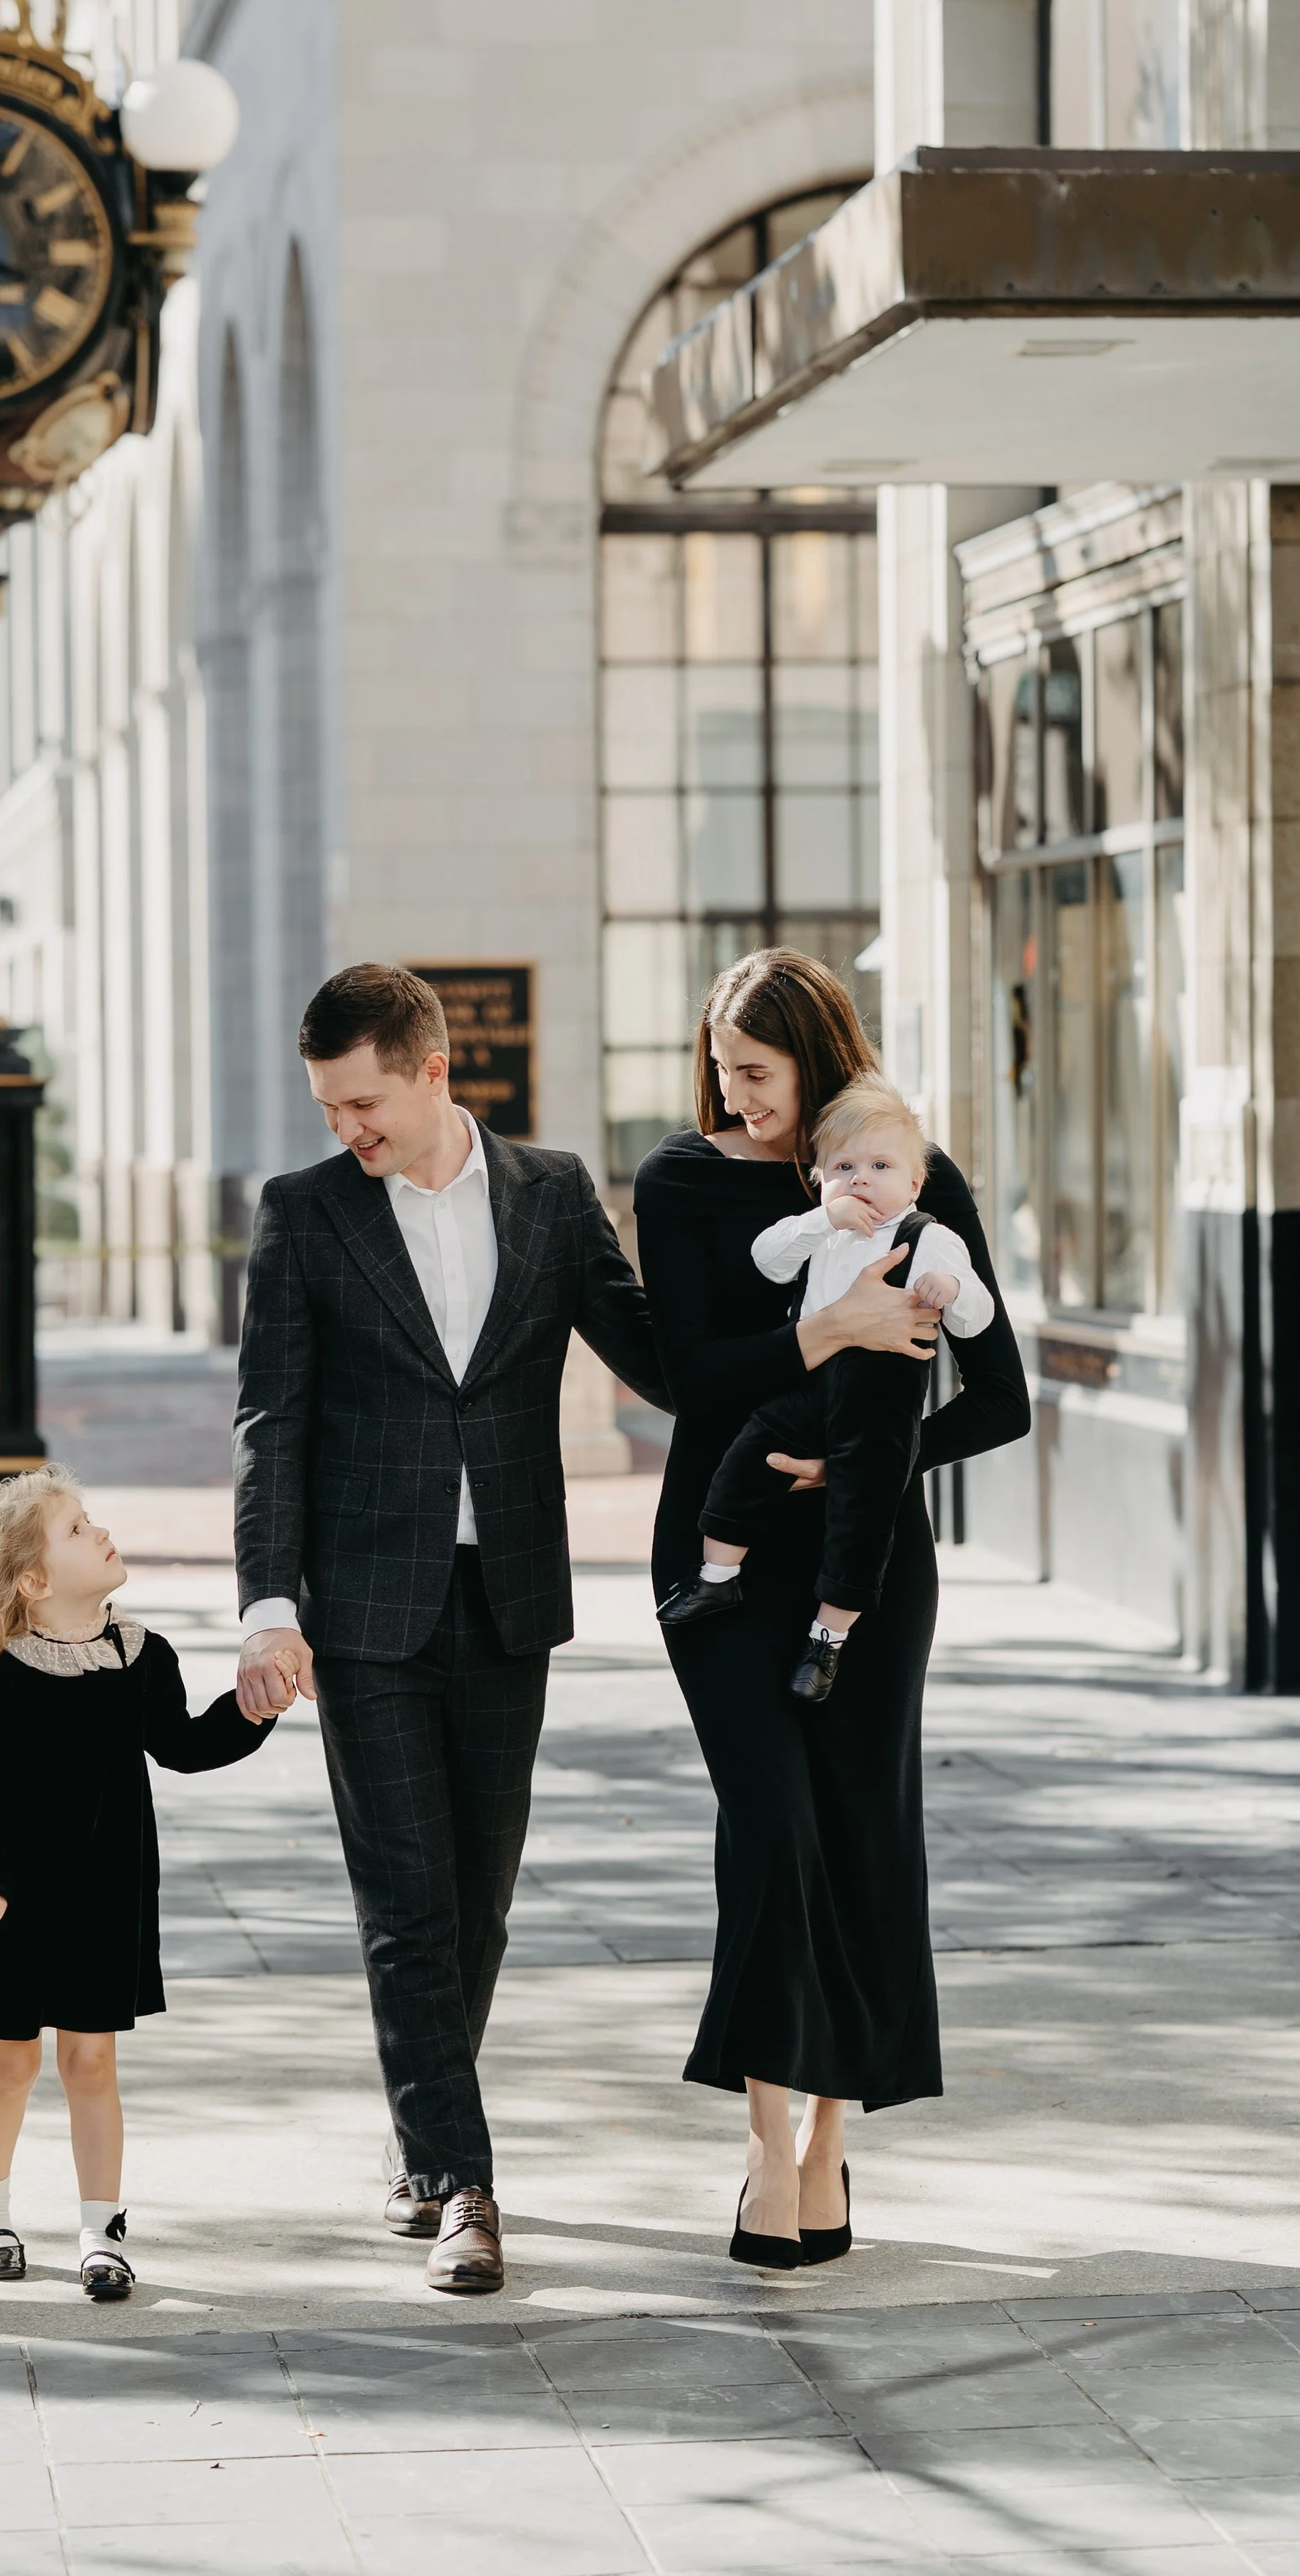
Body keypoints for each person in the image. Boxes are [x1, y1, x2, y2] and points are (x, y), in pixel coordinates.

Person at [233, 963, 671, 2296]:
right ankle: (466, 2182)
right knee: (404, 1901)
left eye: (360, 1100)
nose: (343, 1129)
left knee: (476, 1893)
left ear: (430, 1070)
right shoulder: (304, 1214)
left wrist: (814, 1341)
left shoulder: (550, 1192)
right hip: (363, 1607)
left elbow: (653, 1354)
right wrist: (267, 1605)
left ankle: (422, 2133)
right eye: (326, 1105)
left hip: (508, 1597)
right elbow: (273, 1420)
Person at [634, 948, 1029, 2272]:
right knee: (773, 1828)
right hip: (721, 1557)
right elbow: (691, 1375)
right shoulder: (684, 1182)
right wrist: (836, 1328)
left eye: (761, 1071)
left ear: (819, 1059)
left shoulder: (914, 1168)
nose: (739, 1094)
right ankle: (762, 2139)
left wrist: (874, 1460)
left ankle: (825, 2142)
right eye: (724, 1069)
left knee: (861, 1833)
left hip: (868, 1565)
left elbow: (999, 1393)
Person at [0, 1464, 282, 2301]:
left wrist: (251, 1710)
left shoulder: (141, 1657)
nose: (100, 1533)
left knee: (91, 2062)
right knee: (14, 2063)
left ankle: (102, 2229)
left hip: (104, 1897)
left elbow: (186, 1745)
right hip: (10, 1903)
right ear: (35, 1578)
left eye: (91, 1520)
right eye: (77, 1529)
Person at [659, 1076, 994, 1702]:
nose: (861, 1178)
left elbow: (979, 1316)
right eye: (843, 1166)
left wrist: (951, 1292)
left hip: (881, 1399)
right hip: (812, 1381)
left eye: (880, 1165)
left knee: (862, 1518)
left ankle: (828, 1639)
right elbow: (768, 1258)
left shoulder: (930, 1238)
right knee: (749, 1456)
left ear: (915, 1183)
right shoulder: (823, 1233)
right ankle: (717, 1572)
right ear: (818, 1176)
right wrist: (821, 1217)